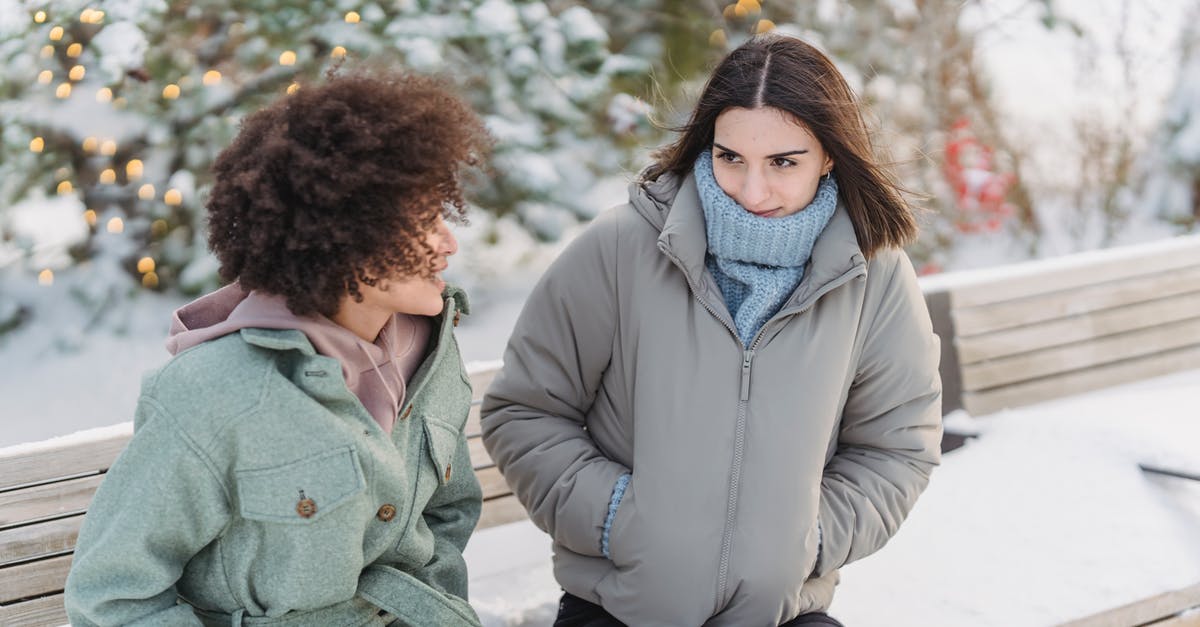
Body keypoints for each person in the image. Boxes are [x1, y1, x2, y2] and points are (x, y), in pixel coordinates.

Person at [480, 34, 942, 626]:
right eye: (731, 158)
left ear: (829, 155)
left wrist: (810, 539)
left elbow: (897, 445)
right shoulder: (621, 249)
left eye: (783, 162)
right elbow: (524, 412)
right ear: (707, 146)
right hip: (617, 608)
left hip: (784, 614)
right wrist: (621, 518)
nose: (752, 192)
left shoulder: (872, 275)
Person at [65, 70, 491, 626]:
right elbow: (111, 598)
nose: (448, 242)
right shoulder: (217, 392)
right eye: (422, 221)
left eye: (443, 213)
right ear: (343, 235)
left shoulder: (433, 351)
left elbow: (447, 512)